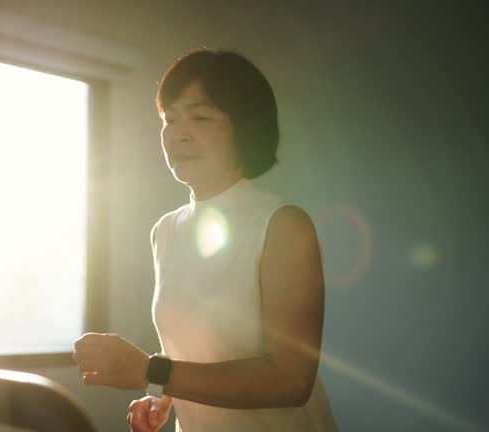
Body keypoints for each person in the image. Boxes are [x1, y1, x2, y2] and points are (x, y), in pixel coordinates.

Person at [73, 49, 338, 431]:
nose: (177, 133)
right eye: (170, 118)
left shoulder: (282, 225)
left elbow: (290, 380)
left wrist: (152, 370)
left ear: (245, 128)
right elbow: (194, 348)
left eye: (200, 117)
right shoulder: (165, 231)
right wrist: (160, 394)